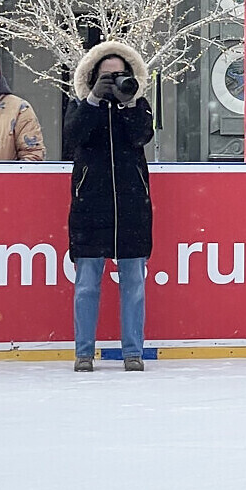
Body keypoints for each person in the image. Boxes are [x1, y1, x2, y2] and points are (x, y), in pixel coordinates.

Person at [65, 41, 154, 372]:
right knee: (87, 283)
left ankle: (134, 351)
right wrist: (93, 101)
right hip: (91, 206)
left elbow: (141, 136)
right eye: (107, 76)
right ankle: (83, 352)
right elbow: (74, 136)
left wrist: (127, 102)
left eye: (120, 75)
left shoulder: (139, 106)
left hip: (132, 205)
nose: (115, 81)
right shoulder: (80, 106)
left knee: (134, 284)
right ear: (92, 78)